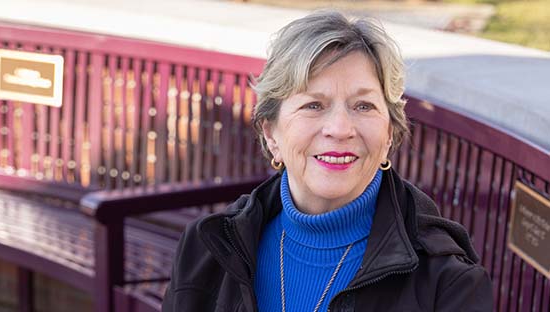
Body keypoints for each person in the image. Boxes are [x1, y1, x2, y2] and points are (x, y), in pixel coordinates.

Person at [162, 10, 492, 312]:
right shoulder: (206, 250)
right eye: (314, 105)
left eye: (363, 106)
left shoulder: (447, 283)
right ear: (271, 134)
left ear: (389, 132)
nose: (339, 129)